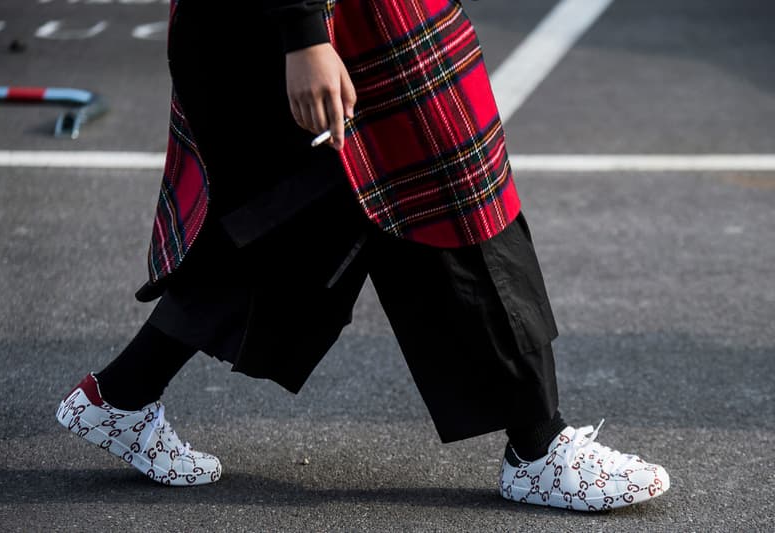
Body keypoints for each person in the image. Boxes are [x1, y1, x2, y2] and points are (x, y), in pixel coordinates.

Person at [56, 0, 670, 511]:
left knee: (308, 214)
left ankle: (120, 396)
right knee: (443, 190)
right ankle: (538, 447)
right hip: (312, 22)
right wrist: (304, 34)